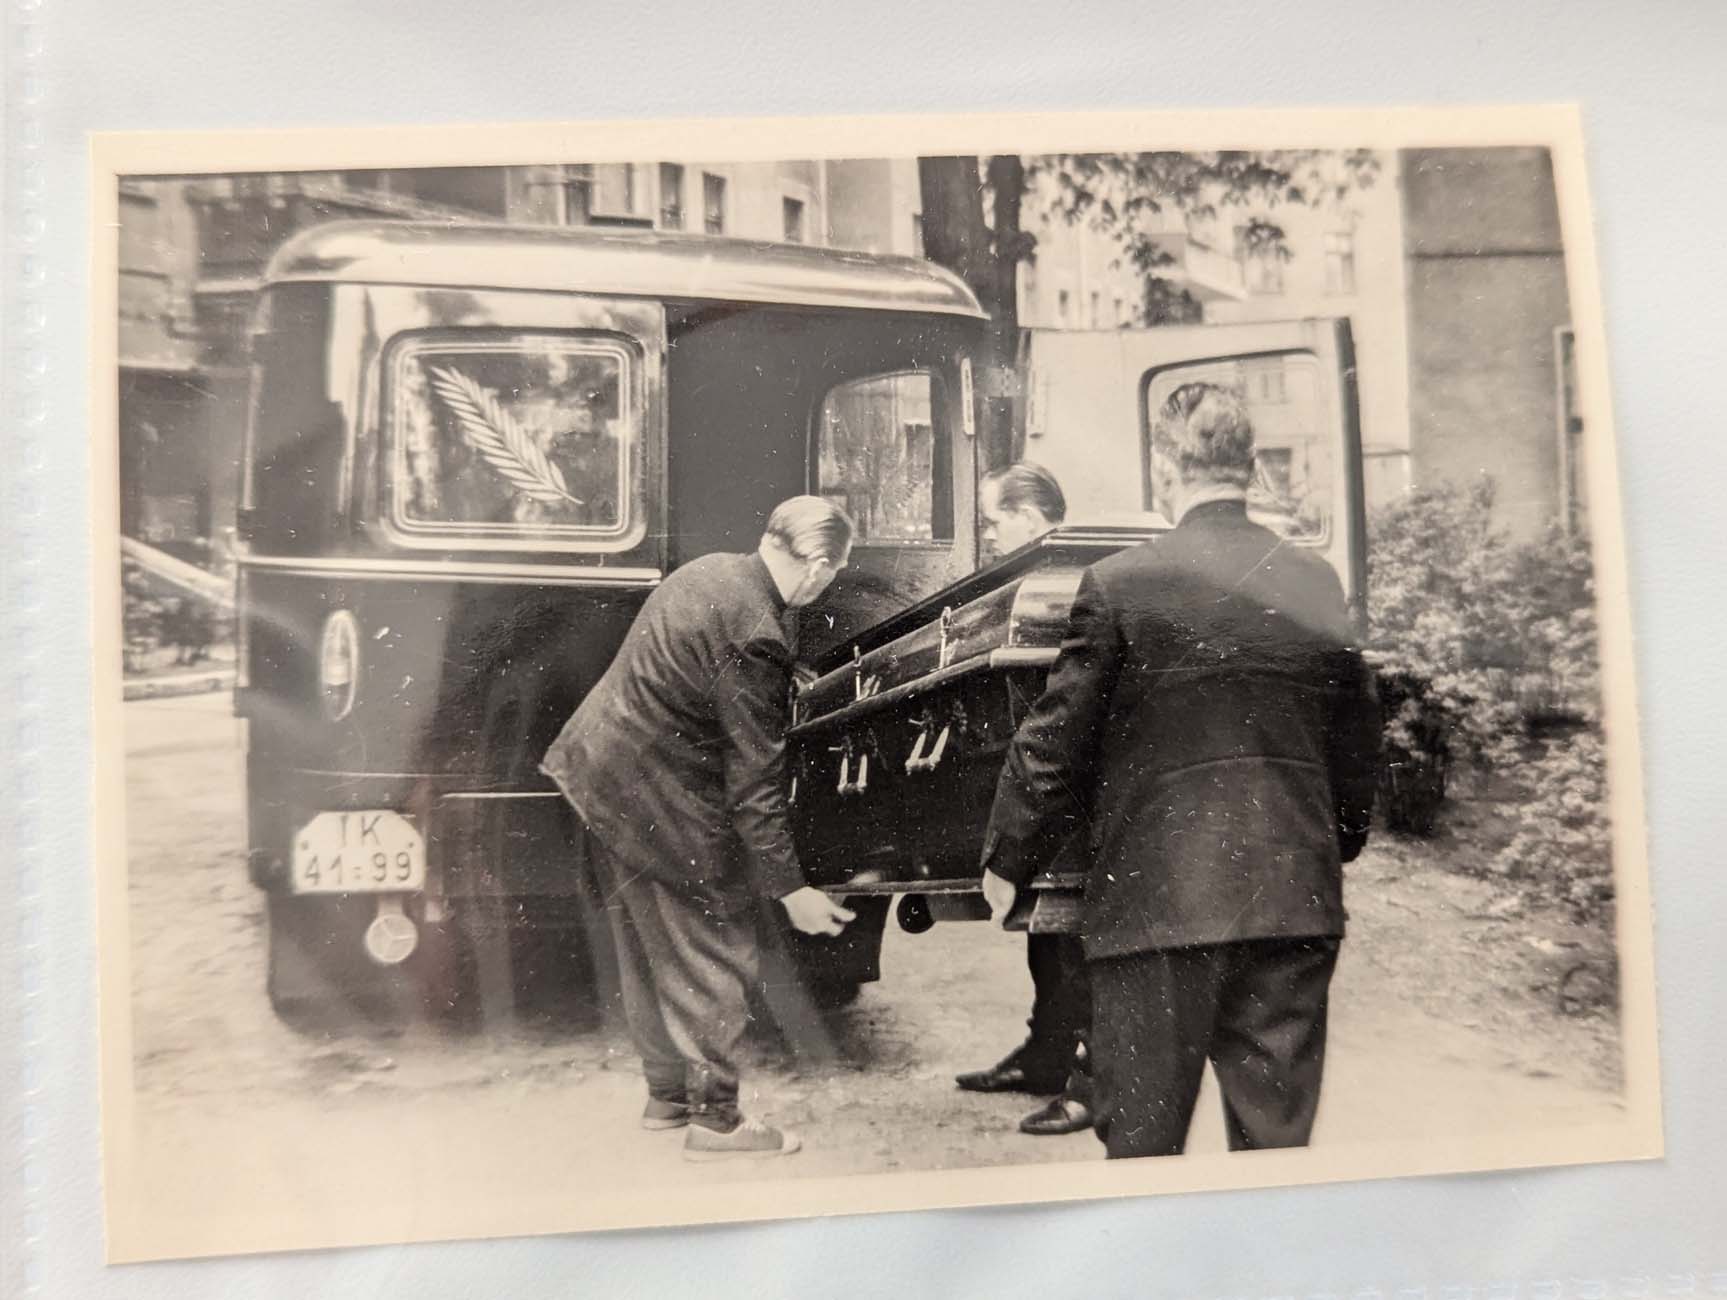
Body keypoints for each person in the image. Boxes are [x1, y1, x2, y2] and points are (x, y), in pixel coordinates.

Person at [978, 384, 1381, 1158]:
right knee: (1273, 1146)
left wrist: (1008, 856)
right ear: (1251, 465)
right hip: (1291, 896)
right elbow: (1357, 736)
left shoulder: (1123, 584)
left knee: (1142, 1143)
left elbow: (1056, 737)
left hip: (1157, 904)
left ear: (1165, 470)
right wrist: (1335, 842)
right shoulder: (1313, 581)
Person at [540, 496, 859, 1162]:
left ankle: (667, 1099)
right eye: (833, 576)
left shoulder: (711, 571)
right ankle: (717, 1124)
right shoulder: (758, 634)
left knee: (645, 947)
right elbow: (753, 785)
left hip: (599, 779)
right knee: (715, 946)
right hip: (655, 798)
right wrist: (789, 887)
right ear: (820, 565)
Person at [955, 462, 1096, 1137]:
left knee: (1072, 937)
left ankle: (1090, 1082)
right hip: (1057, 790)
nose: (987, 534)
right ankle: (1044, 1056)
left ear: (1032, 519)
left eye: (993, 520)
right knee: (1047, 933)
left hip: (1081, 795)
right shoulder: (1046, 577)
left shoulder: (1062, 586)